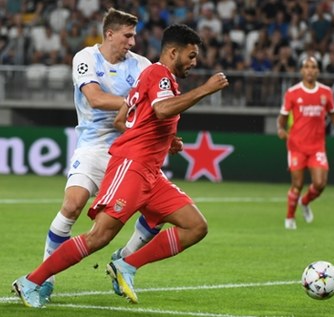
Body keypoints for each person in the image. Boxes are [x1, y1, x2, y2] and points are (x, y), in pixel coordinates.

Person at [12, 23, 229, 308]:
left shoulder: (153, 77)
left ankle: (126, 265)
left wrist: (166, 140)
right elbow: (162, 109)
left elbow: (123, 120)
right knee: (99, 236)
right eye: (191, 55)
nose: (194, 62)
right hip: (133, 167)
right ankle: (31, 281)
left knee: (195, 227)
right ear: (173, 52)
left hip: (151, 173)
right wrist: (206, 89)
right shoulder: (157, 73)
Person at [36, 8, 178, 302]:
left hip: (133, 148)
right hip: (94, 145)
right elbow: (96, 98)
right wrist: (136, 102)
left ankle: (123, 260)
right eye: (127, 35)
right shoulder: (86, 58)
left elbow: (159, 105)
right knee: (73, 204)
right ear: (109, 34)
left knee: (160, 214)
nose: (133, 41)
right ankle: (45, 279)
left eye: (134, 35)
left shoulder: (141, 65)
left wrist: (167, 137)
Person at [277, 56, 334, 230]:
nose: (310, 70)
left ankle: (305, 201)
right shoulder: (292, 93)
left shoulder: (326, 92)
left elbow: (333, 113)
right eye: (307, 67)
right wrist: (280, 129)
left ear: (318, 71)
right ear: (302, 71)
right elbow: (282, 117)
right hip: (296, 146)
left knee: (320, 183)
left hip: (317, 146)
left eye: (313, 67)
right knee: (297, 184)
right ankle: (289, 218)